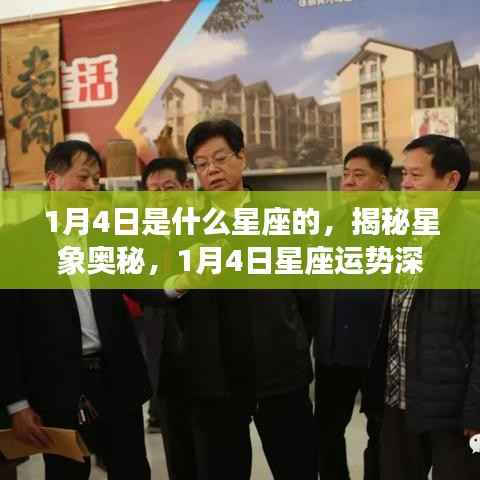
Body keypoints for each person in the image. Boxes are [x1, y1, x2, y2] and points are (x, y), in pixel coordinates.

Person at [165, 119, 317, 480]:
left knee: (297, 467)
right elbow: (166, 292)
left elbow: (309, 294)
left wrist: (293, 339)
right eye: (202, 164)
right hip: (214, 381)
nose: (212, 170)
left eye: (220, 158)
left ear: (242, 157)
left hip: (280, 374)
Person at [0, 140, 155, 480]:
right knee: (66, 474)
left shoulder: (106, 236)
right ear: (53, 180)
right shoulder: (17, 244)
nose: (91, 187)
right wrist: (17, 404)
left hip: (117, 380)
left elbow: (143, 283)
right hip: (57, 387)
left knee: (131, 469)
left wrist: (179, 283)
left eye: (96, 180)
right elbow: (5, 331)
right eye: (83, 177)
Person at [367, 134, 480, 479]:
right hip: (397, 403)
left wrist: (476, 410)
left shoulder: (472, 239)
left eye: (416, 175)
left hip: (452, 413)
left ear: (451, 180)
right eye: (404, 174)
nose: (406, 183)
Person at [314, 145, 392, 480]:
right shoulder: (327, 223)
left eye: (359, 175)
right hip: (333, 349)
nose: (348, 181)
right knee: (326, 430)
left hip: (380, 351)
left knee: (381, 432)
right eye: (346, 174)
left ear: (381, 182)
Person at [141, 157, 198, 479]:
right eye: (154, 191)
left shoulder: (207, 228)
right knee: (176, 451)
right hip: (163, 361)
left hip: (208, 361)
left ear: (186, 188)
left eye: (169, 188)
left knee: (214, 451)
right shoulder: (139, 238)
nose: (162, 197)